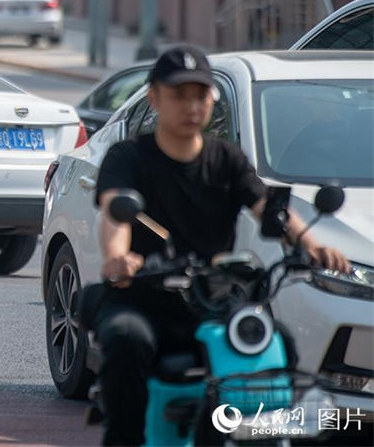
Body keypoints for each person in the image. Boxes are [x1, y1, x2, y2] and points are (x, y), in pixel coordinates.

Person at [93, 45, 350, 446]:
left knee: (276, 342)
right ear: (154, 97)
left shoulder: (226, 159)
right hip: (143, 297)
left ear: (212, 100)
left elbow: (268, 206)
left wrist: (314, 246)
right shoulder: (129, 157)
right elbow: (116, 212)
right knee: (127, 339)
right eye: (179, 94)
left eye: (200, 94)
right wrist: (117, 259)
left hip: (211, 301)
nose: (191, 104)